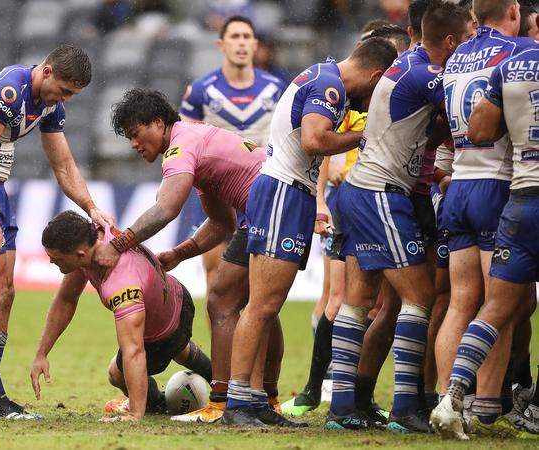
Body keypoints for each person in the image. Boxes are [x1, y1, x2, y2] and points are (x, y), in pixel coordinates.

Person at [221, 37, 398, 427]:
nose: (372, 99)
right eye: (378, 87)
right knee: (261, 304)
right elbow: (314, 140)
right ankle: (236, 403)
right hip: (284, 190)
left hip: (289, 191)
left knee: (267, 306)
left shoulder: (323, 76)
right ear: (374, 74)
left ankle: (252, 401)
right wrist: (368, 136)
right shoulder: (329, 86)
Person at [103, 88, 303, 427]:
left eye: (136, 134)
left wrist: (120, 242)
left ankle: (223, 401)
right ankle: (266, 398)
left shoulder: (180, 146)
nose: (134, 144)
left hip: (269, 206)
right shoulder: (196, 142)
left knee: (222, 299)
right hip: (277, 203)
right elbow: (223, 222)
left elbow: (167, 207)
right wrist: (179, 254)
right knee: (259, 302)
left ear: (157, 123)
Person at [0, 45, 113, 420]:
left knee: (6, 293)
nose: (64, 100)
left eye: (71, 96)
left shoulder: (49, 105)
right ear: (47, 72)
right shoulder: (9, 91)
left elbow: (64, 165)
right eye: (64, 91)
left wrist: (91, 207)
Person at [324, 1, 473, 433]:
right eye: (464, 40)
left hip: (361, 189)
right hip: (381, 195)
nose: (468, 47)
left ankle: (343, 408)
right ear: (449, 41)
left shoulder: (408, 64)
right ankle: (407, 409)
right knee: (420, 296)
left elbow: (433, 125)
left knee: (358, 299)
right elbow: (467, 110)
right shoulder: (429, 75)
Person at [434, 0, 538, 432]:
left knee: (465, 304)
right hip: (500, 184)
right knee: (508, 308)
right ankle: (487, 408)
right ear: (514, 11)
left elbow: (471, 128)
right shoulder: (514, 52)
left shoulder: (459, 54)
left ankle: (447, 398)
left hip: (460, 182)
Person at [30, 211, 211, 422]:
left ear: (80, 254)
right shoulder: (97, 234)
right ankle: (224, 385)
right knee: (179, 348)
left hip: (165, 329)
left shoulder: (122, 285)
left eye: (56, 258)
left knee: (117, 373)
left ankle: (154, 403)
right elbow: (66, 300)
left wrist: (135, 414)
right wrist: (42, 353)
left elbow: (134, 351)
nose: (51, 261)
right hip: (176, 295)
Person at [180, 16, 286, 299]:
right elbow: (182, 144)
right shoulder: (201, 91)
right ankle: (221, 345)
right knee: (215, 284)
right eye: (234, 37)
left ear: (255, 45)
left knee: (257, 290)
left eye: (246, 37)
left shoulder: (277, 89)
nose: (241, 43)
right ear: (221, 44)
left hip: (260, 193)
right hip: (215, 195)